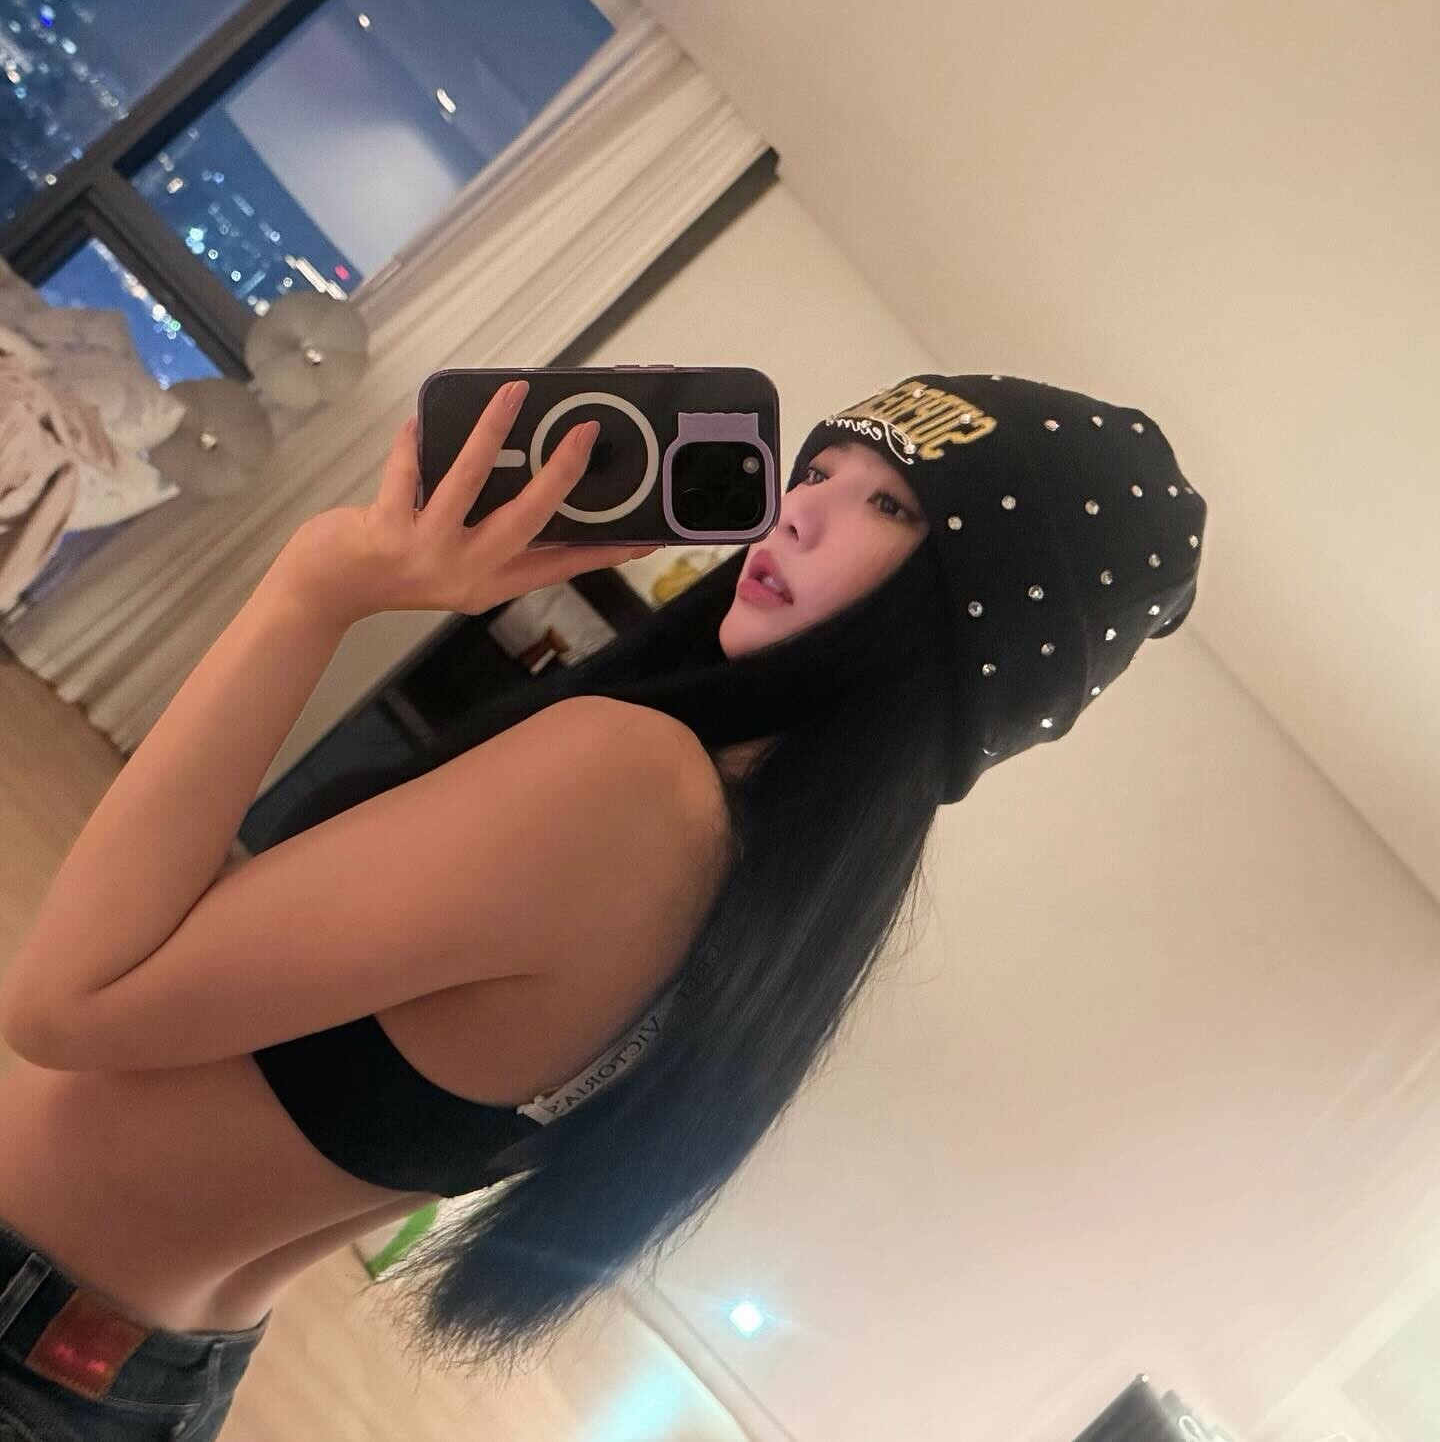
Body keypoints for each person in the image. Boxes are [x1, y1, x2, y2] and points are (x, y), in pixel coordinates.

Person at [0, 369, 1206, 1435]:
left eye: (890, 504)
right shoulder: (765, 915)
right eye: (818, 469)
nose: (798, 509)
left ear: (975, 628)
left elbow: (68, 1002)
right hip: (125, 1369)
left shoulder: (630, 787)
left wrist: (316, 588)